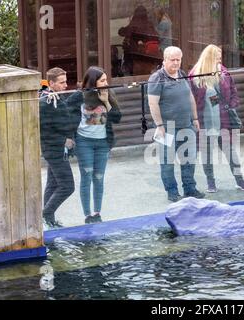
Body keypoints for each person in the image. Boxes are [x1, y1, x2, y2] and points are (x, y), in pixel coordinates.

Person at [189, 44, 244, 193]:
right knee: (207, 152)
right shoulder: (195, 75)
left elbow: (233, 91)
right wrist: (194, 118)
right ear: (209, 57)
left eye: (220, 57)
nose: (219, 59)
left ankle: (240, 180)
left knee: (230, 152)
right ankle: (211, 182)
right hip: (204, 120)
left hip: (223, 120)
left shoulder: (223, 71)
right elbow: (190, 98)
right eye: (217, 57)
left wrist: (231, 106)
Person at [148, 46, 205, 202]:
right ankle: (172, 192)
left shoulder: (182, 74)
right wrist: (159, 125)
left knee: (189, 160)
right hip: (167, 128)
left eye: (178, 60)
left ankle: (190, 189)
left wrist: (195, 119)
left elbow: (190, 97)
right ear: (164, 60)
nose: (175, 63)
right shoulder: (156, 78)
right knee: (167, 163)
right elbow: (153, 104)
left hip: (187, 125)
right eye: (172, 60)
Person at [69, 67, 122, 224]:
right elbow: (65, 112)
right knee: (86, 177)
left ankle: (97, 213)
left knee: (99, 178)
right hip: (84, 142)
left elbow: (117, 118)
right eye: (102, 80)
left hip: (102, 143)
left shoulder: (108, 94)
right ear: (93, 82)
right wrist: (69, 136)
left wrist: (106, 101)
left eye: (106, 79)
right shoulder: (79, 96)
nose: (106, 83)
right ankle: (87, 215)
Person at [39, 67, 76, 228]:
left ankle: (48, 220)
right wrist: (64, 140)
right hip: (54, 149)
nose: (65, 85)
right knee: (68, 186)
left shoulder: (55, 97)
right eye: (61, 82)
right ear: (51, 83)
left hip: (56, 148)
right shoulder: (46, 100)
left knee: (53, 184)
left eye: (66, 81)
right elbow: (44, 129)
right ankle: (46, 214)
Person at [119, 5, 159, 75]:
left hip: (134, 53)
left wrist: (123, 29)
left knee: (132, 70)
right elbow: (156, 36)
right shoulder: (149, 23)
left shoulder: (134, 23)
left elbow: (122, 32)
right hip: (148, 54)